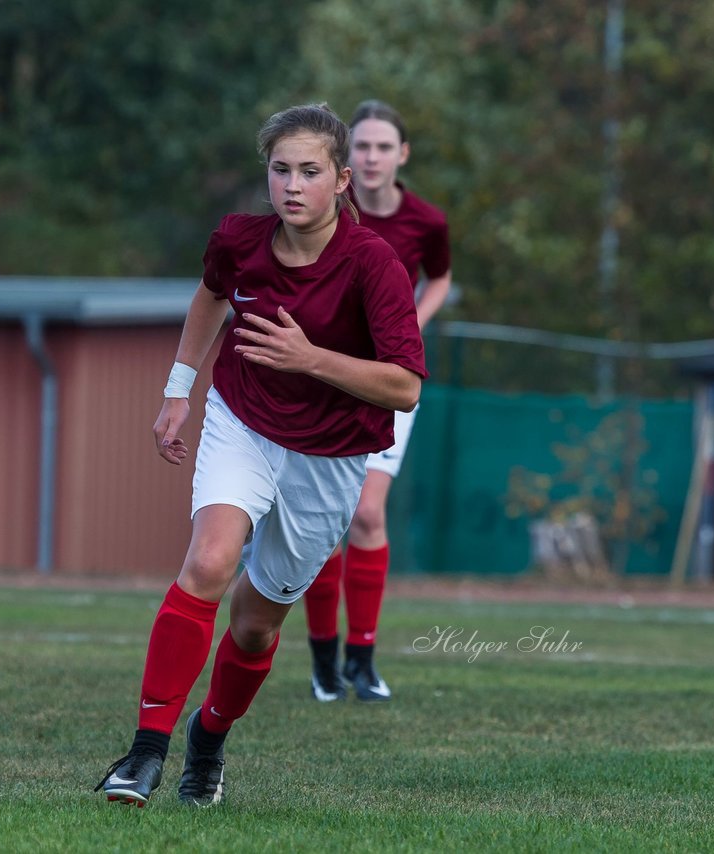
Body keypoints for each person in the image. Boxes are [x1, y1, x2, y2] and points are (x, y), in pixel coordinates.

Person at [94, 103, 426, 809]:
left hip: (331, 458)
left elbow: (403, 386)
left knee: (254, 623)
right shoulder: (239, 241)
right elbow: (211, 297)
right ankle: (145, 752)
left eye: (310, 171)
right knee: (209, 560)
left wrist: (312, 359)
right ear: (266, 175)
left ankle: (208, 739)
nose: (293, 185)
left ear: (342, 181)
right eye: (281, 170)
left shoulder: (375, 264)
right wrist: (178, 390)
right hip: (241, 420)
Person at [302, 99, 452, 703]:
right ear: (345, 156)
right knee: (322, 526)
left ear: (402, 154)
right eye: (360, 146)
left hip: (388, 380)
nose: (370, 157)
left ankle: (363, 661)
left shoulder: (427, 222)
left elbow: (439, 276)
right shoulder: (326, 211)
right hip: (324, 378)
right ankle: (323, 662)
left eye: (382, 146)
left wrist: (410, 321)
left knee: (366, 514)